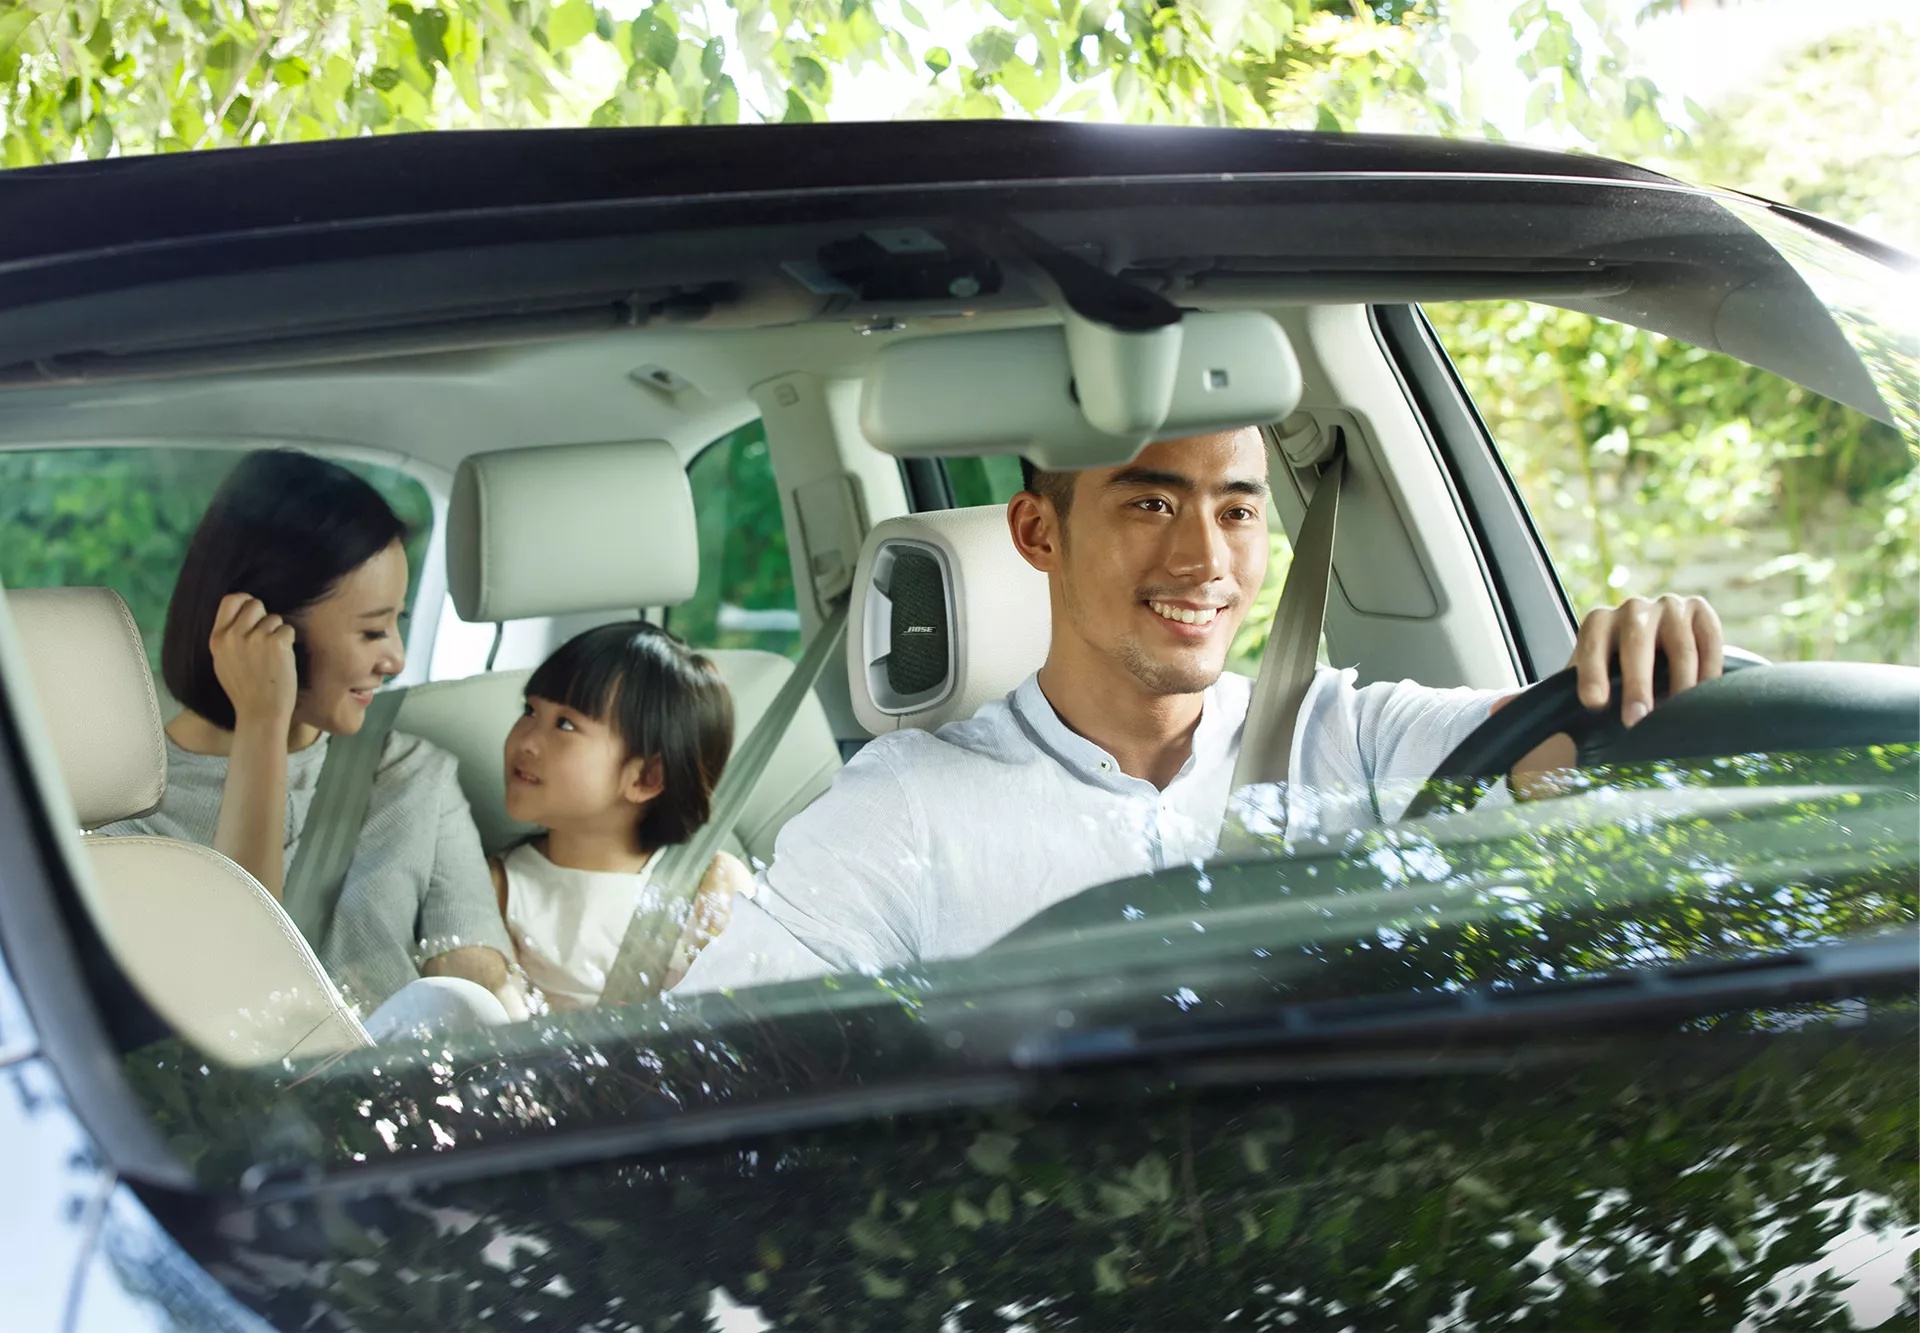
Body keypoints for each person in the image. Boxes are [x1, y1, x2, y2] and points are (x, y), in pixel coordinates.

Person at [675, 426, 1726, 993]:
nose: (1204, 559)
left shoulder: (1346, 737)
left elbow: (1560, 761)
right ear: (1039, 532)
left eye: (1237, 509)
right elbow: (730, 1062)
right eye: (1150, 503)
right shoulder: (901, 812)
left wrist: (1646, 667)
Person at [104, 449, 514, 1017]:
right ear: (264, 630)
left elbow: (478, 984)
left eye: (398, 620)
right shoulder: (124, 819)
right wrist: (263, 724)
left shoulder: (416, 775)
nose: (395, 658)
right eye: (372, 631)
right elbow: (243, 987)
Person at [490, 622, 751, 1010]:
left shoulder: (712, 886)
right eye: (529, 711)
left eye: (565, 724)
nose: (525, 740)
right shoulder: (500, 888)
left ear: (647, 777)